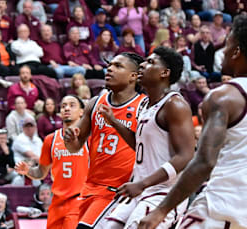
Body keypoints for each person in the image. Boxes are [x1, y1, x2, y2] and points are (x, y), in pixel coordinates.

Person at [139, 14, 247, 229]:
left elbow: (204, 162)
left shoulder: (224, 96)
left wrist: (161, 210)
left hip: (221, 205)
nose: (223, 51)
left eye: (227, 45)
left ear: (236, 52)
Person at [98, 48, 195, 229]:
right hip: (141, 189)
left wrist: (142, 184)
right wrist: (113, 121)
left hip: (164, 192)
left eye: (150, 62)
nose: (142, 65)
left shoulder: (175, 105)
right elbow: (140, 144)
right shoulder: (145, 103)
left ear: (164, 73)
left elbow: (186, 156)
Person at [63, 53, 147, 228]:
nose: (109, 69)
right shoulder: (96, 102)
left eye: (118, 66)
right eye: (110, 65)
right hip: (90, 186)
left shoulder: (144, 107)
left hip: (117, 190)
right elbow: (74, 147)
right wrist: (70, 138)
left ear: (134, 76)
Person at [16, 94, 89, 229]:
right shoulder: (51, 139)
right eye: (63, 106)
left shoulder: (89, 138)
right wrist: (28, 171)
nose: (66, 108)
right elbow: (41, 172)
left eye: (72, 105)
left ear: (81, 112)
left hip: (79, 199)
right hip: (57, 202)